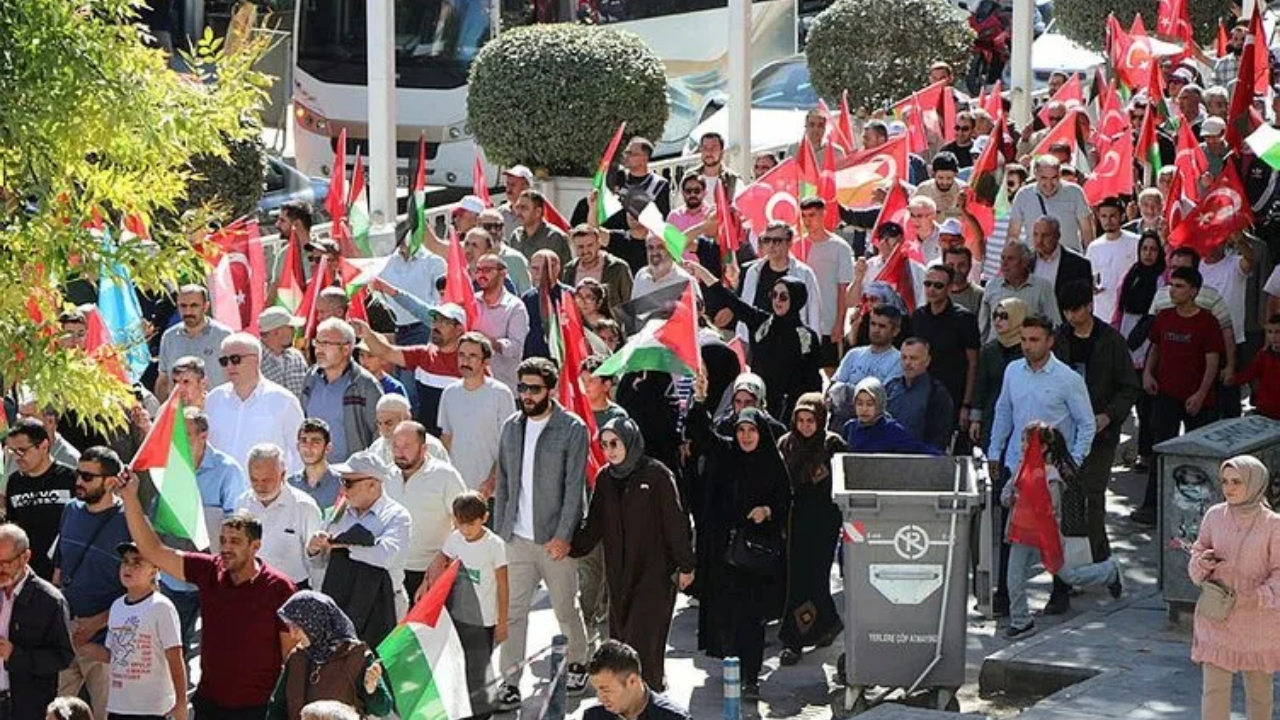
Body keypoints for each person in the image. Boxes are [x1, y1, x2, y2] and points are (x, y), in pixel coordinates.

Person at [118, 472, 297, 720]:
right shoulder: (209, 570)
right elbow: (153, 551)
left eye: (235, 541)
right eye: (223, 540)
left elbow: (291, 655)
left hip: (259, 709)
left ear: (255, 546)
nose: (225, 547)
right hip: (209, 704)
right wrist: (130, 498)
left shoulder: (280, 588)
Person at [493, 358, 591, 707]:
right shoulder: (511, 427)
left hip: (554, 540)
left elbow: (574, 488)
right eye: (522, 388)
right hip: (516, 539)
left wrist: (564, 535)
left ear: (550, 390)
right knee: (513, 612)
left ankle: (579, 661)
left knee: (565, 608)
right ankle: (509, 681)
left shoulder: (572, 428)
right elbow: (503, 482)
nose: (527, 395)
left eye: (534, 389)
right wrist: (499, 530)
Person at [571, 418, 694, 692]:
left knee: (644, 646)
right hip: (619, 578)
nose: (610, 450)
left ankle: (650, 702)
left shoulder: (657, 475)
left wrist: (686, 564)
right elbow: (594, 525)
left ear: (630, 440)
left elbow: (676, 523)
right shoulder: (605, 478)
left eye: (615, 443)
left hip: (655, 576)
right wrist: (569, 545)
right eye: (604, 445)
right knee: (624, 648)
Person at [988, 314, 1097, 616]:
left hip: (1052, 471)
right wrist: (994, 452)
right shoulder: (1013, 371)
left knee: (1054, 532)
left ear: (1050, 341)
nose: (1027, 346)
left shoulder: (1068, 379)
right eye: (1023, 339)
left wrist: (1071, 463)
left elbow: (1086, 424)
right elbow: (1003, 412)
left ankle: (1060, 591)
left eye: (1034, 340)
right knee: (1012, 531)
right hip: (1018, 465)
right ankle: (1005, 595)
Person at [684, 401, 789, 701]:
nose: (745, 436)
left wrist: (767, 510)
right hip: (723, 552)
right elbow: (701, 434)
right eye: (741, 430)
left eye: (751, 430)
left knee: (752, 619)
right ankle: (734, 667)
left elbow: (784, 498)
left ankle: (751, 678)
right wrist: (700, 400)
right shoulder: (726, 454)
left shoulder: (770, 462)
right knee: (726, 615)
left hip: (756, 555)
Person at [1002, 423, 1122, 640]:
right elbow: (1005, 495)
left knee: (1069, 576)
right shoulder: (1021, 469)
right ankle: (1021, 621)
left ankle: (1109, 571)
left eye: (1027, 441)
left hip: (1046, 537)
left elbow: (1053, 512)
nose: (1023, 446)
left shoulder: (1051, 476)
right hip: (1021, 534)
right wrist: (1011, 497)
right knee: (1014, 579)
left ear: (1044, 447)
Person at [1132, 267, 1227, 526]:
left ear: (1194, 291)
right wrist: (1148, 374)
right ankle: (1152, 507)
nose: (1173, 290)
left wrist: (1201, 394)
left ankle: (1205, 515)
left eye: (1179, 286)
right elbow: (1156, 347)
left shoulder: (1207, 321)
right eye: (1172, 285)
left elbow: (1212, 362)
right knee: (1160, 450)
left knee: (1200, 457)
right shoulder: (1164, 317)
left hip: (1198, 401)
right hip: (1166, 396)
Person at [1053, 281, 1140, 564]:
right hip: (1065, 431)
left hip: (1101, 432)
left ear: (1089, 306)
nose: (1070, 316)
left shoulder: (1111, 340)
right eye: (1066, 311)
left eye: (1075, 310)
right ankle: (1077, 560)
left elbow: (1129, 386)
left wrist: (1109, 416)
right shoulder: (1059, 337)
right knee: (1067, 496)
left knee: (1093, 494)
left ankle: (1101, 559)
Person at [1189, 455, 1280, 720]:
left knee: (1259, 695)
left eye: (1237, 482)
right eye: (1225, 481)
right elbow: (1197, 556)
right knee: (1213, 692)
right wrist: (1202, 562)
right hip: (1217, 616)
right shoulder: (1214, 515)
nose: (1228, 488)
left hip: (1258, 621)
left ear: (1254, 483)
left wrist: (1256, 597)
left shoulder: (1274, 524)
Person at [689, 262, 821, 422]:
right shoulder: (760, 323)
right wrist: (700, 270)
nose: (777, 300)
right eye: (774, 294)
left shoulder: (807, 337)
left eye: (784, 296)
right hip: (759, 404)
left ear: (796, 299)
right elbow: (729, 299)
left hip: (791, 410)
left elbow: (813, 381)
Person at [53, 447, 131, 720]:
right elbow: (60, 570)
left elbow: (142, 589)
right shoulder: (70, 511)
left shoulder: (129, 522)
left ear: (110, 481)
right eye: (78, 473)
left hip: (104, 646)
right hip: (66, 637)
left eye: (87, 476)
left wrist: (96, 624)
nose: (78, 482)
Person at [422, 491, 508, 720]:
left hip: (484, 620)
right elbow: (442, 557)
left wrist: (502, 621)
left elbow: (503, 584)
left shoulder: (494, 545)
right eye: (461, 524)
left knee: (479, 668)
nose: (466, 530)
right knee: (458, 666)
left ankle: (483, 711)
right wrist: (426, 582)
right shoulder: (455, 538)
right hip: (458, 617)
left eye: (471, 524)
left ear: (485, 518)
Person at [309, 452, 412, 642]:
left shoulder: (397, 516)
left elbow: (387, 556)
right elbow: (323, 560)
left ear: (373, 484)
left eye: (349, 483)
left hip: (384, 605)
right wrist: (315, 549)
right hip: (344, 604)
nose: (343, 488)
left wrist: (345, 546)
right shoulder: (339, 511)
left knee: (380, 669)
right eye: (341, 481)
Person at [776, 393, 846, 666]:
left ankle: (824, 625)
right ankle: (793, 640)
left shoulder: (832, 445)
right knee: (795, 581)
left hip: (824, 523)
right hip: (793, 522)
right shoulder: (786, 445)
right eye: (801, 420)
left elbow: (843, 481)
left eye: (811, 420)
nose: (805, 426)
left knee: (816, 578)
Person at [267, 592, 392, 720]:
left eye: (297, 627)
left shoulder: (357, 657)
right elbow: (278, 707)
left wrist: (372, 690)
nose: (293, 635)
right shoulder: (297, 657)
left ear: (316, 623)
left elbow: (383, 709)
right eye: (290, 627)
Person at [98, 541, 186, 720]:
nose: (128, 567)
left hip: (152, 709)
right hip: (119, 706)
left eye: (137, 562)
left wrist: (181, 703)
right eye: (125, 561)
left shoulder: (161, 606)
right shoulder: (116, 606)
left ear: (153, 571)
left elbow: (175, 659)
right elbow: (112, 654)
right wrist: (80, 645)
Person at [352, 307, 464, 438]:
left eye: (444, 322)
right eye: (435, 320)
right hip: (427, 439)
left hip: (460, 438)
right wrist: (366, 334)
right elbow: (386, 352)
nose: (436, 326)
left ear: (459, 329)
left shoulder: (469, 361)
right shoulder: (423, 354)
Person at [0, 523, 75, 720]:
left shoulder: (50, 600)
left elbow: (63, 657)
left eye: (6, 563)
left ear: (25, 557)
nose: (0, 569)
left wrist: (15, 655)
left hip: (26, 706)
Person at [204, 333, 305, 474]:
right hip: (220, 492)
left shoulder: (284, 401)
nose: (229, 366)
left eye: (235, 359)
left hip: (268, 492)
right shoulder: (213, 400)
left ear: (256, 359)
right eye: (224, 361)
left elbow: (299, 453)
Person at [387, 421, 465, 601]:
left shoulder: (445, 476)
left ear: (423, 448)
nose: (399, 453)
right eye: (395, 446)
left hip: (431, 573)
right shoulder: (387, 476)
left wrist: (443, 557)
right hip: (391, 572)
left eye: (406, 446)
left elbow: (464, 524)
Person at [235, 444, 323, 590]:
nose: (260, 486)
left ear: (283, 475)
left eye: (266, 480)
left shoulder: (304, 507)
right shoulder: (242, 503)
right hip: (250, 589)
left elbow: (317, 561)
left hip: (290, 591)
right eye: (254, 480)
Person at [437, 333, 516, 495]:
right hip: (456, 490)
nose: (465, 361)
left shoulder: (501, 394)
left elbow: (509, 443)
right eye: (461, 355)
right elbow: (446, 438)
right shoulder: (449, 393)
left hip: (491, 492)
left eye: (472, 356)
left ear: (486, 361)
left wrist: (492, 480)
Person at [911, 264, 980, 438]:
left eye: (938, 285)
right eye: (928, 284)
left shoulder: (964, 319)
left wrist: (966, 405)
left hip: (953, 397)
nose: (932, 289)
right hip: (921, 394)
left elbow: (973, 362)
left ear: (949, 288)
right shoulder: (918, 317)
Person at [3, 418, 78, 578]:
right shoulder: (15, 482)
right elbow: (14, 524)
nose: (17, 457)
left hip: (64, 572)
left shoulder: (70, 478)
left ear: (44, 446)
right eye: (12, 451)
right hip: (26, 574)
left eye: (22, 450)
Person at [303, 319, 383, 462]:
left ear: (346, 349)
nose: (319, 350)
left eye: (326, 344)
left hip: (350, 475)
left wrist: (366, 468)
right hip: (313, 471)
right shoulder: (311, 377)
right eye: (317, 343)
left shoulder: (365, 385)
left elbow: (380, 432)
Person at [738, 221, 822, 334]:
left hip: (791, 340)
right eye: (767, 240)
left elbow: (814, 313)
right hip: (757, 341)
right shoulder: (753, 271)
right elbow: (746, 306)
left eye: (777, 241)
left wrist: (813, 345)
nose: (771, 245)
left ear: (789, 243)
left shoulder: (804, 273)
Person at [798, 197, 854, 362]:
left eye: (812, 215)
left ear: (823, 214)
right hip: (802, 320)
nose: (807, 221)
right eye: (804, 216)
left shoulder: (840, 247)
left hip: (828, 322)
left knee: (829, 368)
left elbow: (843, 288)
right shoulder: (797, 245)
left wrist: (839, 323)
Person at [156, 284, 233, 399]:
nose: (188, 311)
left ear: (206, 306)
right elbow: (163, 380)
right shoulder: (169, 337)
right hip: (180, 412)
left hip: (215, 410)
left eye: (194, 305)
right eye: (183, 306)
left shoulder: (224, 336)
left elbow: (236, 376)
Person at [583, 640, 692, 720]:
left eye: (606, 690)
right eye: (597, 690)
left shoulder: (674, 718)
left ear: (632, 681)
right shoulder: (594, 716)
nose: (601, 698)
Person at [1007, 155, 1094, 253]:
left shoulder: (1075, 192)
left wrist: (1091, 259)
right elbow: (1014, 234)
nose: (1049, 184)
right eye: (1044, 178)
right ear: (1035, 174)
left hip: (1068, 262)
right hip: (1036, 262)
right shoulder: (1023, 195)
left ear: (1060, 174)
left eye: (1054, 178)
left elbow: (1087, 230)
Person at [472, 254, 531, 392]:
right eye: (478, 270)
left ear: (503, 273)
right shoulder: (472, 302)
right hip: (473, 385)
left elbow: (515, 348)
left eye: (487, 270)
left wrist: (487, 342)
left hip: (504, 387)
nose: (481, 275)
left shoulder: (515, 307)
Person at [979, 242, 1061, 341]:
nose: (1004, 264)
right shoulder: (991, 286)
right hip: (995, 351)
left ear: (1024, 262)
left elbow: (1054, 325)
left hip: (1028, 351)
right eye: (1002, 258)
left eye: (1010, 259)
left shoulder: (1042, 287)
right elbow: (982, 328)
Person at [885, 338, 956, 451]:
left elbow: (940, 437)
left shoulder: (937, 393)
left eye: (913, 358)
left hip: (921, 460)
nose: (908, 363)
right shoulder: (890, 387)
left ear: (927, 361)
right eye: (904, 357)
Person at [841, 377, 942, 454]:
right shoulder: (850, 428)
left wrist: (947, 460)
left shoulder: (891, 429)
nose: (864, 409)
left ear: (880, 403)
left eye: (870, 404)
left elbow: (918, 449)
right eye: (859, 403)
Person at [1085, 198, 1140, 324]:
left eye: (1112, 216)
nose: (1108, 221)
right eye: (1104, 216)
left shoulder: (1136, 242)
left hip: (1130, 311)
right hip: (1102, 313)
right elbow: (1089, 278)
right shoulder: (1094, 247)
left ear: (1122, 216)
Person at [565, 224, 634, 311]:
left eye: (590, 245)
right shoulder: (569, 270)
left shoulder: (618, 268)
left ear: (598, 244)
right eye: (580, 247)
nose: (585, 251)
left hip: (610, 323)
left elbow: (630, 302)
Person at [1030, 215, 1093, 310]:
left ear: (1057, 236)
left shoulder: (1079, 264)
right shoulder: (1026, 261)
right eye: (1036, 234)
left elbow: (1085, 304)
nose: (1039, 241)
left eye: (1045, 235)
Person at [286, 419, 342, 515]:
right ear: (297, 446)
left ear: (328, 448)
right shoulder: (289, 485)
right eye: (304, 441)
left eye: (315, 442)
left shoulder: (342, 484)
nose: (308, 447)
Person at [1232, 314, 1280, 419]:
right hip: (1264, 409)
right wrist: (1231, 379)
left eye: (1277, 332)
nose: (1273, 336)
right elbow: (1250, 373)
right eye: (1270, 332)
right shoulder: (1263, 355)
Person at [509, 190, 571, 265]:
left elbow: (566, 272)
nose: (518, 212)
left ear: (538, 212)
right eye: (517, 207)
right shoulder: (516, 236)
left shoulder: (555, 238)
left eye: (523, 208)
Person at [258, 307, 308, 401]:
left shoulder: (297, 358)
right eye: (291, 327)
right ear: (276, 332)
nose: (295, 331)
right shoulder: (254, 359)